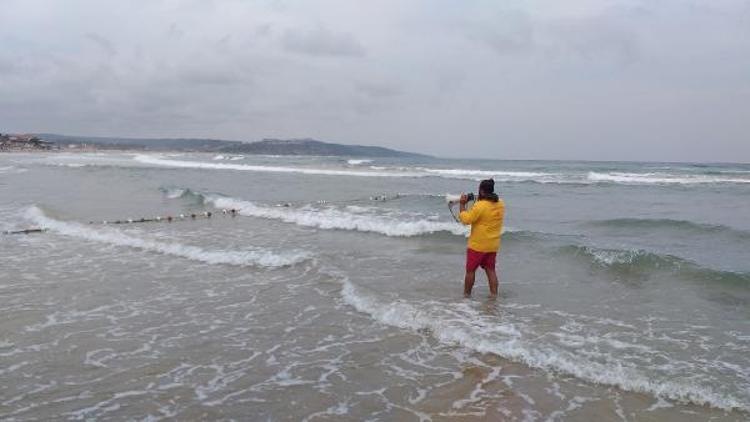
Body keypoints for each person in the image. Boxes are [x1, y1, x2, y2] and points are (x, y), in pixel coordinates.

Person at [458, 179, 505, 298]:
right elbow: (487, 210)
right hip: (492, 245)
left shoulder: (480, 205)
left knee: (470, 271)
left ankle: (466, 295)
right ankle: (494, 296)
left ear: (482, 191)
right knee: (491, 270)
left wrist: (462, 205)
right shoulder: (501, 204)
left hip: (477, 245)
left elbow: (466, 220)